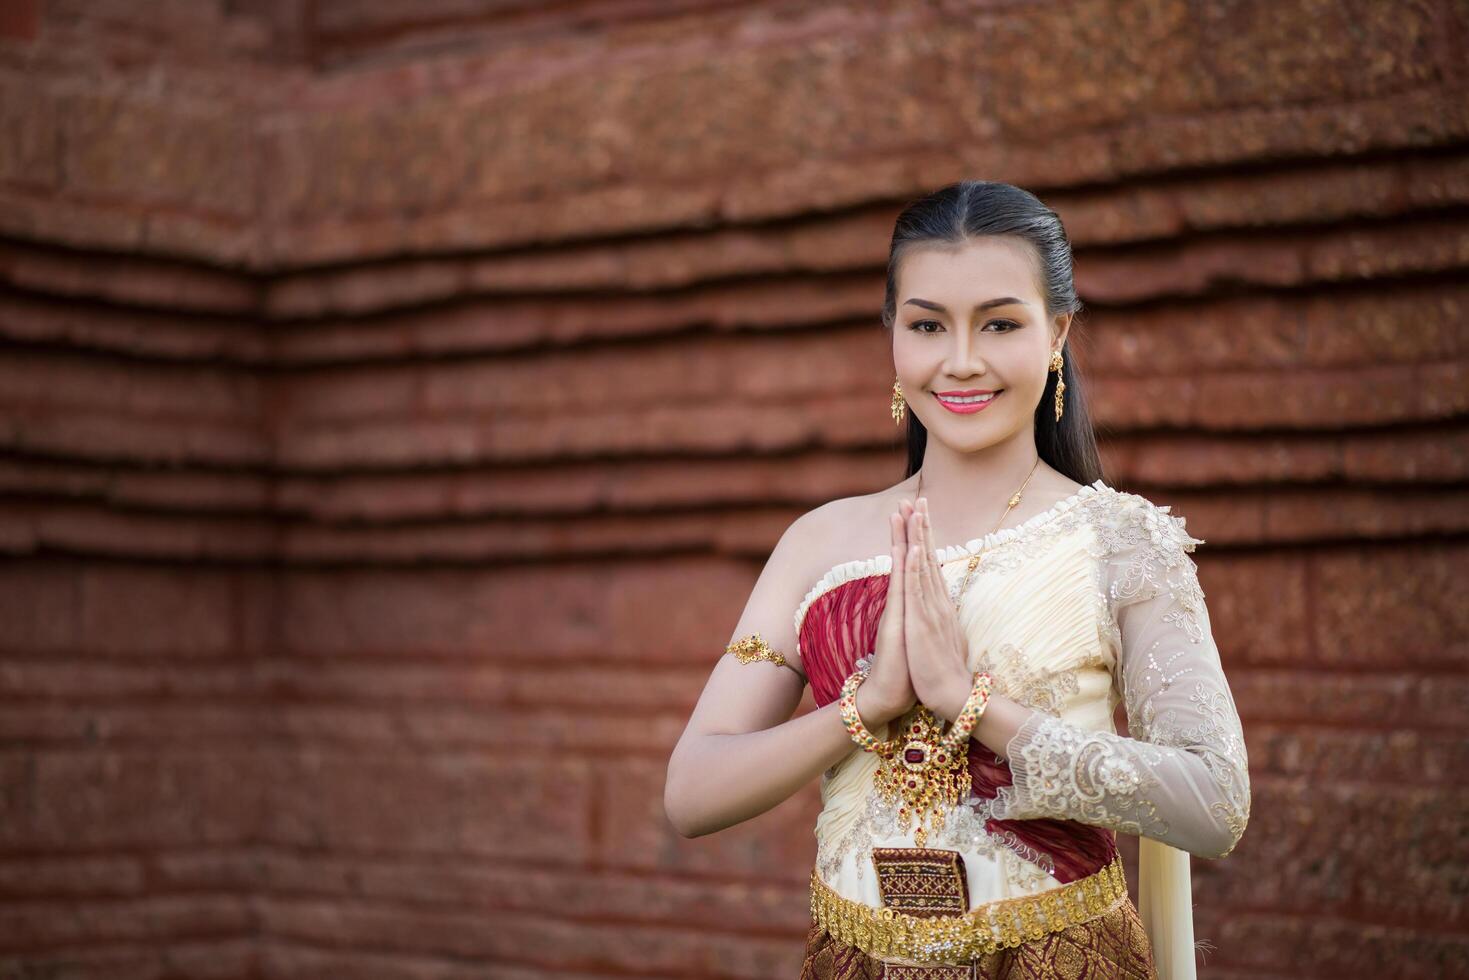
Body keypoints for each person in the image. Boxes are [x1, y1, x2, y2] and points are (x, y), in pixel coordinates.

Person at [664, 180, 1250, 979]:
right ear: (892, 337)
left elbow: (1213, 804)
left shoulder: (1120, 544)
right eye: (927, 325)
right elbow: (692, 792)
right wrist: (863, 709)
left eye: (1000, 323)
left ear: (1057, 332)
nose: (961, 360)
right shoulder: (816, 542)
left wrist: (970, 705)